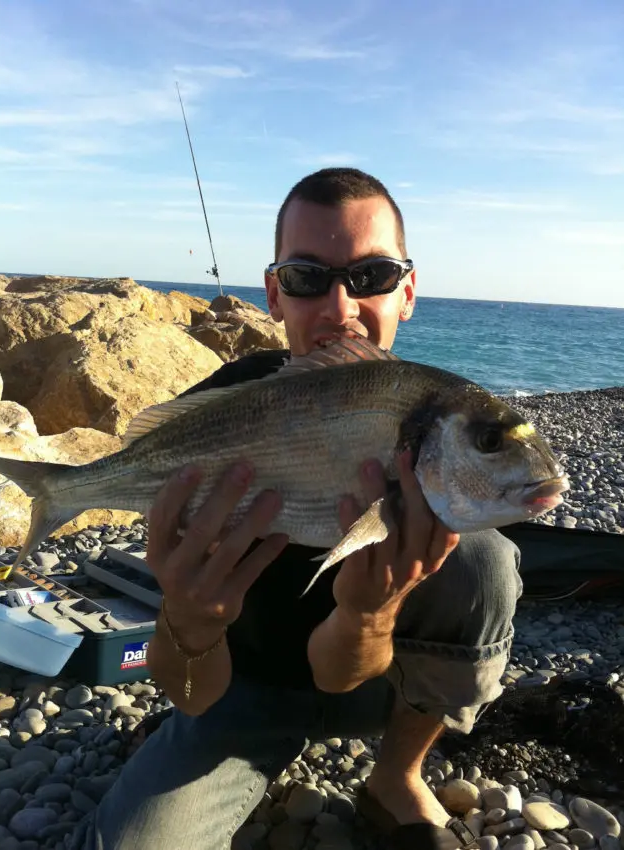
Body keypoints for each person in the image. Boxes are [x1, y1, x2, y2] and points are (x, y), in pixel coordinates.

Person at [73, 168, 522, 850]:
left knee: (486, 561)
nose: (340, 308)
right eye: (308, 277)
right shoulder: (221, 415)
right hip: (233, 689)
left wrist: (370, 610)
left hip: (379, 684)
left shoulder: (433, 415)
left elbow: (341, 673)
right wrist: (188, 617)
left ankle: (396, 773)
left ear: (407, 290)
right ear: (274, 294)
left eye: (371, 274)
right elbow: (189, 688)